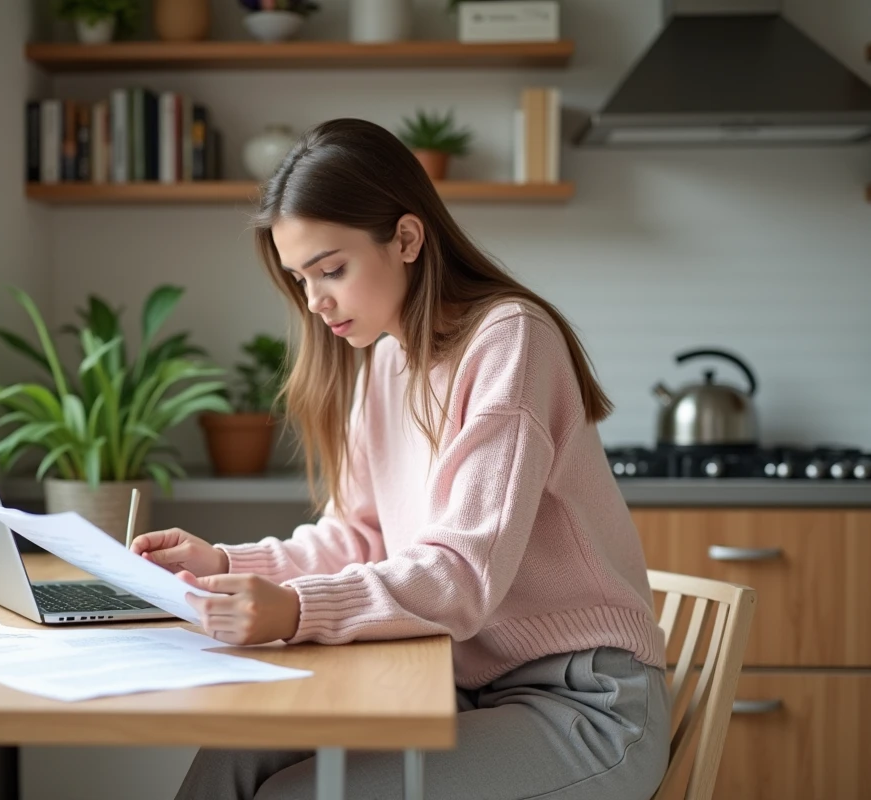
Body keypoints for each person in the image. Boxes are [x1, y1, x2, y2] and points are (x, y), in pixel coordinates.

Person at [131, 118, 669, 800]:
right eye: (300, 279)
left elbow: (463, 576)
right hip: (455, 686)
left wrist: (294, 611)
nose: (315, 301)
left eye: (331, 269)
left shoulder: (509, 340)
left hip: (582, 707)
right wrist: (226, 565)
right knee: (228, 762)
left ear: (407, 239)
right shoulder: (387, 358)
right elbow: (359, 535)